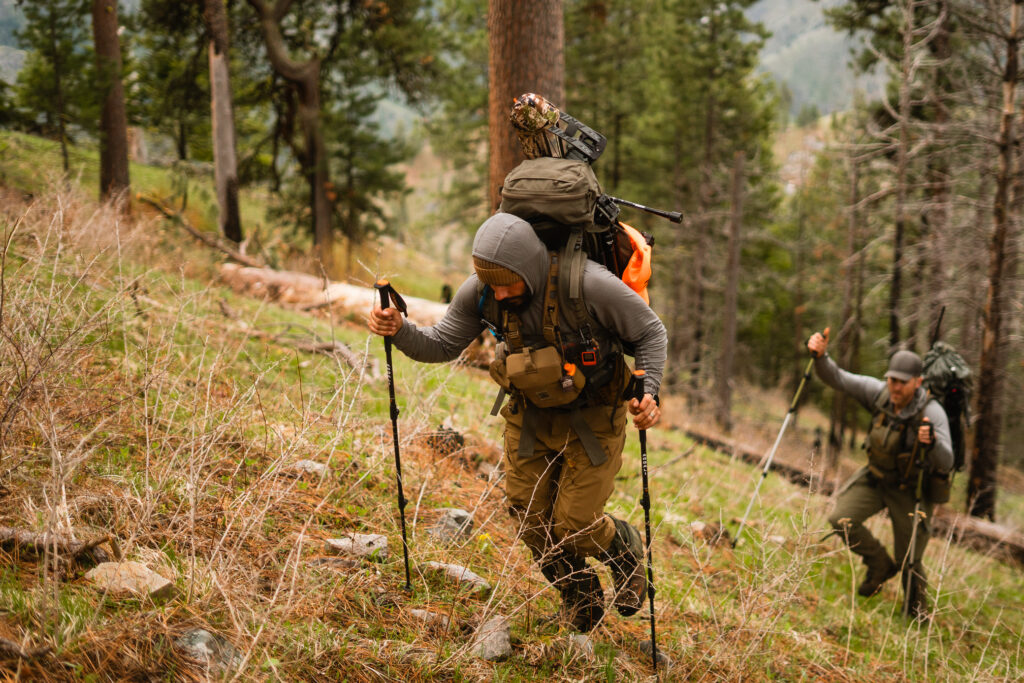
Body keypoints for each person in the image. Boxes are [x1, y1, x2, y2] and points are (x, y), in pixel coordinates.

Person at [369, 211, 667, 632]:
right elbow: (439, 344)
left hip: (595, 414)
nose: (500, 291)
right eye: (490, 282)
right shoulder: (483, 290)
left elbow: (652, 333)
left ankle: (623, 548)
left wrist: (648, 388)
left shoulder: (588, 285)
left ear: (531, 267)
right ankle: (579, 596)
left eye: (508, 281)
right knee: (531, 523)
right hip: (531, 415)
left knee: (575, 525)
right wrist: (398, 329)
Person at [808, 332, 953, 619]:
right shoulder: (879, 393)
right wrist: (821, 356)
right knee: (840, 520)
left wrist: (931, 442)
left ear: (918, 382)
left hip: (911, 490)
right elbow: (838, 378)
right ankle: (879, 564)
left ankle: (915, 615)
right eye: (892, 379)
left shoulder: (932, 412)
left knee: (910, 559)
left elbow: (948, 461)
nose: (895, 386)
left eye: (902, 381)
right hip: (875, 478)